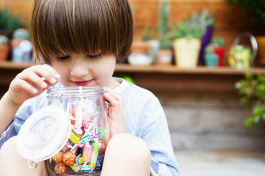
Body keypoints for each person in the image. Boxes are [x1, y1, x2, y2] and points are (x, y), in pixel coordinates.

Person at [0, 0, 179, 175]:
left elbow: (168, 172)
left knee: (129, 147)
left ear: (118, 46)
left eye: (93, 55)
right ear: (47, 54)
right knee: (15, 148)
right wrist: (10, 102)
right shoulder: (37, 98)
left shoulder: (142, 103)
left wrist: (119, 144)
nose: (78, 71)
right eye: (63, 57)